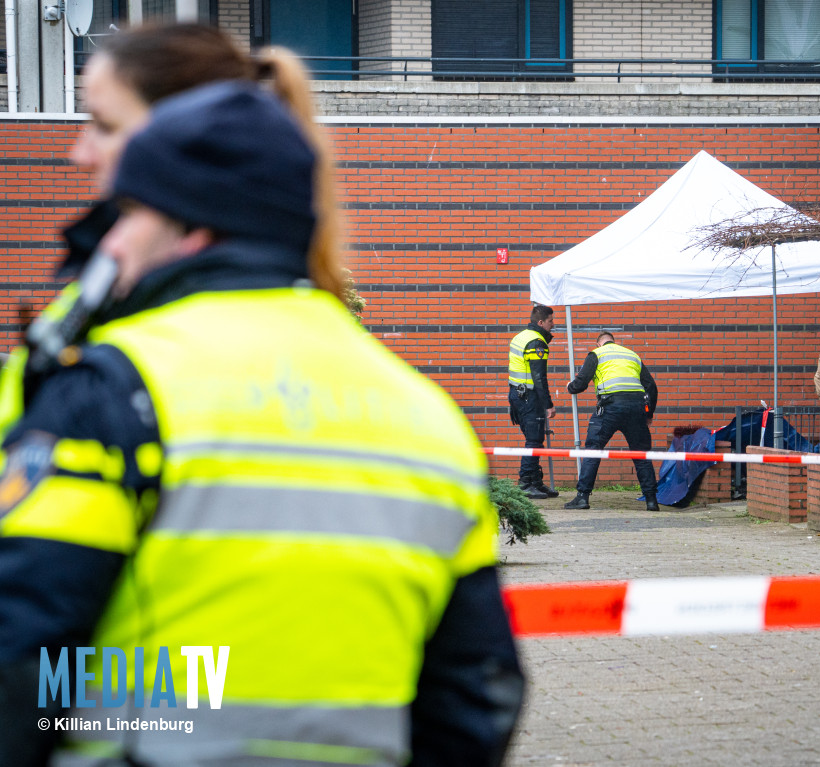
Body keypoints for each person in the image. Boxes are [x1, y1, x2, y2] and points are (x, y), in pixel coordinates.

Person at [0, 81, 523, 765]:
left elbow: (21, 658)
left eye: (128, 210)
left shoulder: (116, 388)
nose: (113, 237)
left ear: (192, 224)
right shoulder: (429, 417)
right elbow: (477, 696)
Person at [0, 23, 348, 438]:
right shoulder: (108, 285)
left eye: (106, 126)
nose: (81, 154)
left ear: (189, 133)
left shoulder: (166, 337)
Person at [564, 332, 659, 511]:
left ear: (598, 343)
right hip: (636, 409)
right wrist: (649, 414)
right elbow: (651, 386)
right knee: (641, 455)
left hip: (610, 407)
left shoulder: (597, 354)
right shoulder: (632, 355)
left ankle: (582, 497)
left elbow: (581, 383)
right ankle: (651, 501)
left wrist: (571, 387)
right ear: (614, 342)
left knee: (593, 450)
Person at [508, 304, 558, 499]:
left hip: (516, 394)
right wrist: (549, 405)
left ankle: (536, 481)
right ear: (541, 322)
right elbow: (539, 378)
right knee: (534, 440)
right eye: (550, 321)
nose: (552, 324)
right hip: (529, 397)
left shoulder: (520, 337)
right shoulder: (537, 343)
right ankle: (525, 483)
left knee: (534, 439)